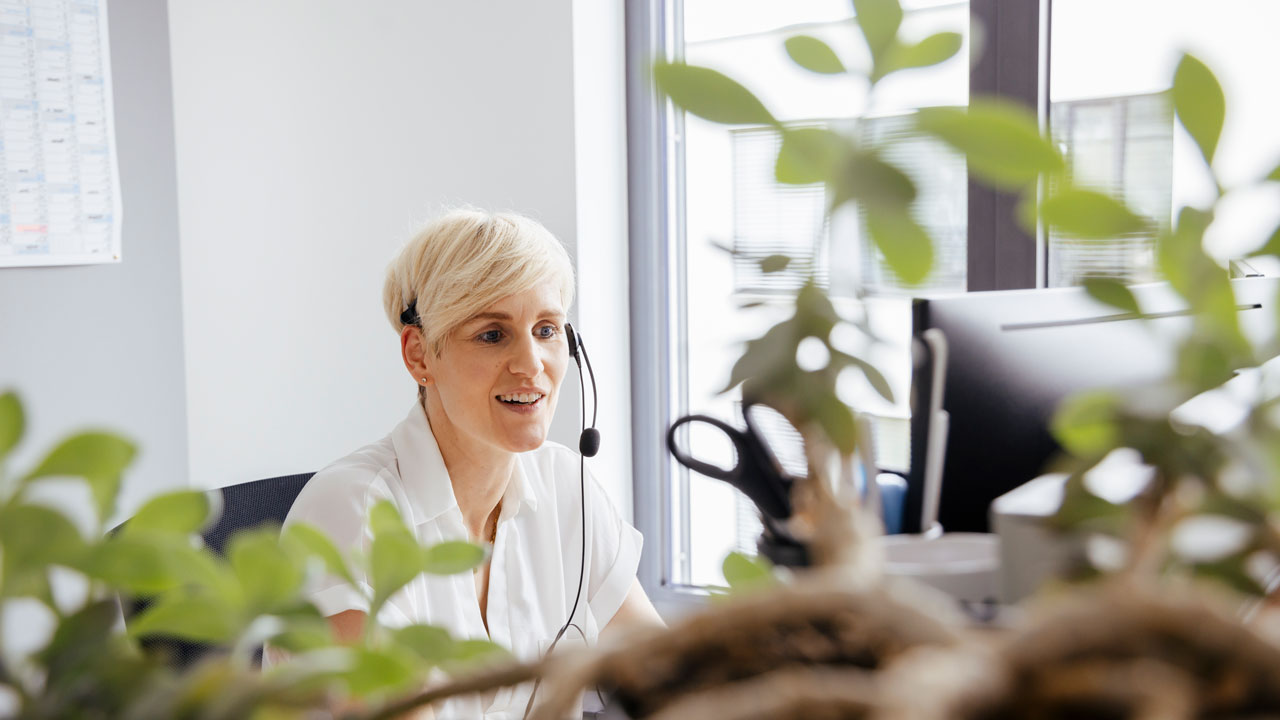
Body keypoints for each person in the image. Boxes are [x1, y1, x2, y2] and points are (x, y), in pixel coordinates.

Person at [283, 208, 663, 717]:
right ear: (419, 355)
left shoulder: (565, 487)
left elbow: (670, 677)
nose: (531, 364)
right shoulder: (353, 511)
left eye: (546, 329)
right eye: (492, 334)